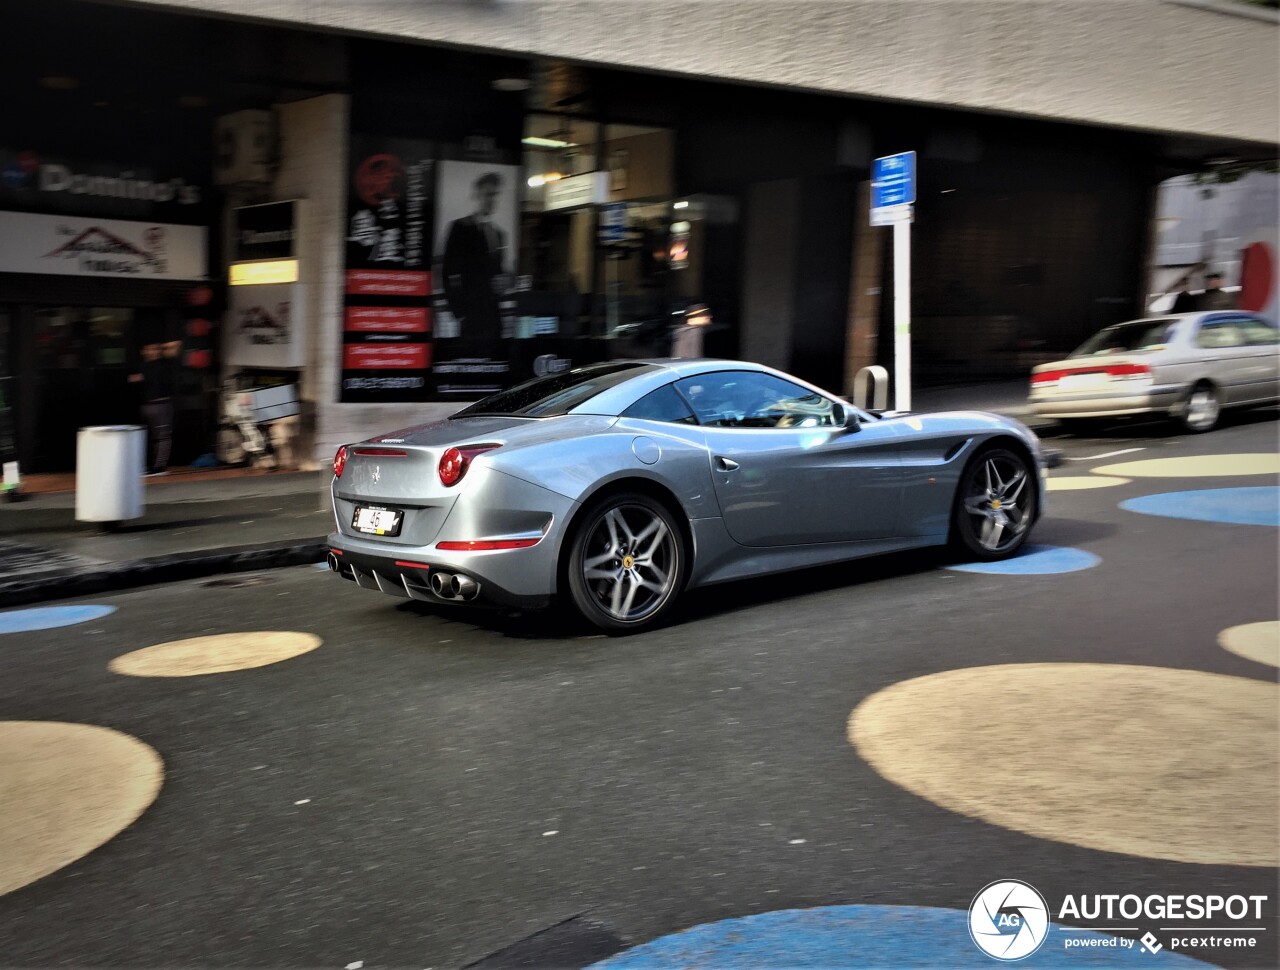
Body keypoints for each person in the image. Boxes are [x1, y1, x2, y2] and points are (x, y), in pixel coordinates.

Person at [441, 172, 510, 354]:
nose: (491, 199)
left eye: (495, 195)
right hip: (470, 316)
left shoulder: (498, 234)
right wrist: (459, 312)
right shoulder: (459, 228)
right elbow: (447, 273)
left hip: (493, 316)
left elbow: (499, 272)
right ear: (477, 195)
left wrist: (506, 281)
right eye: (488, 194)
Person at [129, 339, 181, 475]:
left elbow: (175, 345)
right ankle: (146, 465)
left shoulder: (165, 364)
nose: (153, 352)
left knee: (162, 436)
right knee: (146, 437)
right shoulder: (142, 365)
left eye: (155, 349)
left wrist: (164, 347)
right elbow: (131, 379)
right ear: (143, 351)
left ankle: (159, 467)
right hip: (147, 405)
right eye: (149, 349)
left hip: (162, 403)